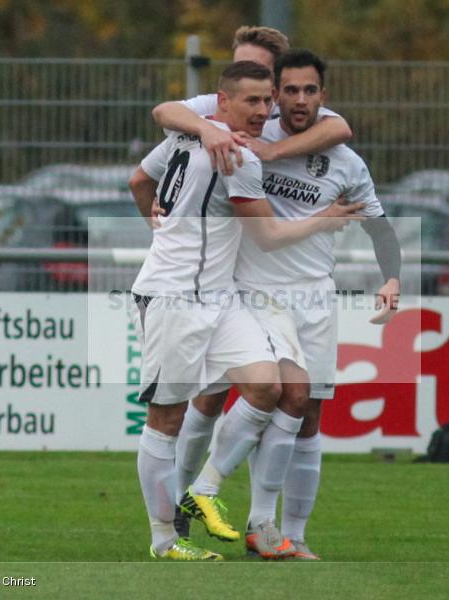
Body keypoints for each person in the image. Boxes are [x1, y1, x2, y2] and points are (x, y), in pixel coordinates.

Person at [140, 49, 400, 560]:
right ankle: (171, 532)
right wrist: (163, 219)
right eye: (277, 94)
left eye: (308, 91)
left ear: (323, 97)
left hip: (293, 296)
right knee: (192, 407)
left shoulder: (333, 155)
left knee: (292, 401)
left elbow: (376, 216)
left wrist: (392, 277)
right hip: (233, 291)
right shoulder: (226, 138)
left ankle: (261, 523)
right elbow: (160, 134)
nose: (282, 103)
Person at [150, 25, 352, 176]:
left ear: (278, 74)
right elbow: (163, 111)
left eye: (255, 68)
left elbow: (339, 129)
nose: (243, 74)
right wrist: (208, 131)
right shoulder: (223, 104)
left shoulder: (290, 108)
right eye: (238, 65)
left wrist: (271, 151)